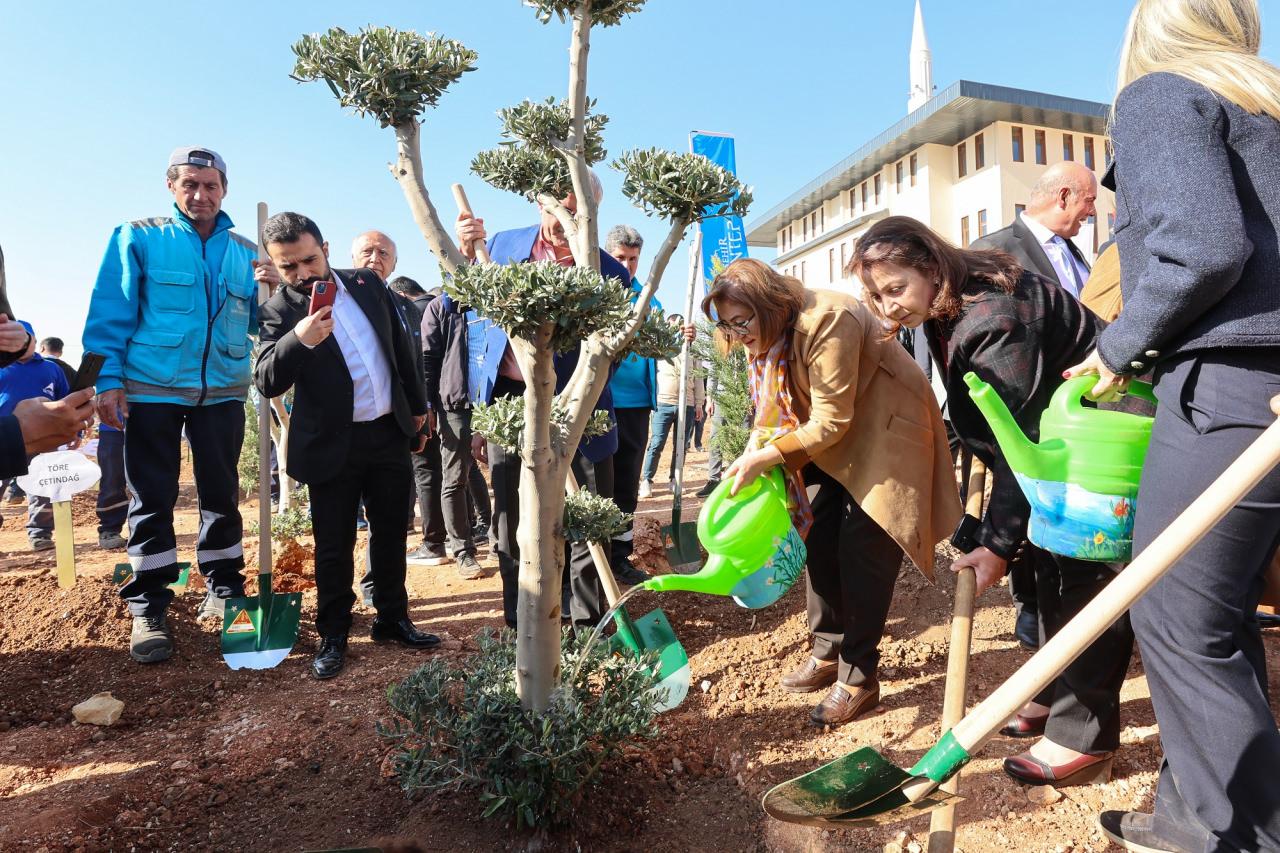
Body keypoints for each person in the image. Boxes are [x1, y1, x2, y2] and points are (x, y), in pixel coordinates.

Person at [1064, 1, 1280, 848]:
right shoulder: (1263, 104)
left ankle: (1227, 833)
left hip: (1227, 389)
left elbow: (1201, 244)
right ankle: (1198, 809)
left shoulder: (1160, 93)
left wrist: (1118, 347)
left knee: (1181, 618)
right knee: (1220, 615)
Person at [852, 216, 1134, 788]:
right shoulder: (948, 295)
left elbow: (1022, 442)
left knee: (1081, 575)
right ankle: (1052, 688)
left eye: (895, 289)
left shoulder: (992, 318)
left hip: (1098, 439)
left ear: (930, 268)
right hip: (1055, 439)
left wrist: (997, 544)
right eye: (876, 295)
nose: (886, 308)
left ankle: (1083, 737)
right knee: (1045, 571)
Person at [704, 258, 961, 726]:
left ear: (768, 304)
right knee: (819, 535)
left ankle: (860, 678)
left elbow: (831, 420)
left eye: (741, 321)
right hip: (837, 436)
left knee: (862, 545)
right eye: (726, 325)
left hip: (885, 429)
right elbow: (768, 408)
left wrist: (766, 456)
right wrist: (751, 452)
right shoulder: (762, 333)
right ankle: (828, 649)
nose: (736, 333)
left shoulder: (827, 318)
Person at [82, 146, 259, 664]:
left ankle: (224, 587)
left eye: (210, 185)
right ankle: (150, 603)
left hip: (223, 391)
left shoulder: (247, 252)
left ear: (225, 189)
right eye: (190, 185)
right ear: (171, 187)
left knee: (223, 496)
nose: (201, 195)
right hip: (150, 390)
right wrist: (105, 380)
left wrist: (275, 292)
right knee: (153, 497)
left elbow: (259, 324)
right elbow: (108, 313)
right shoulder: (138, 236)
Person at [255, 212, 438, 680]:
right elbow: (267, 380)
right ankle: (333, 632)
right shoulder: (280, 311)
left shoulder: (366, 284)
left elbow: (401, 346)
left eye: (308, 260)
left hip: (387, 431)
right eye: (288, 267)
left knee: (392, 530)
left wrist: (417, 409)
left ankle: (393, 618)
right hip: (331, 445)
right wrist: (301, 339)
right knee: (334, 544)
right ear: (275, 266)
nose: (302, 274)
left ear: (327, 249)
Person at [454, 172, 627, 629]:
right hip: (512, 403)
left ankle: (589, 624)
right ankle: (523, 620)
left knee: (587, 517)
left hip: (581, 404)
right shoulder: (502, 247)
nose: (561, 218)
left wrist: (575, 395)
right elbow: (478, 333)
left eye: (574, 210)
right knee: (513, 517)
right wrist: (462, 256)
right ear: (539, 203)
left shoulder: (609, 273)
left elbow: (617, 353)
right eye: (555, 207)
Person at [970, 160, 1099, 651]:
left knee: (1066, 507)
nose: (1091, 211)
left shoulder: (1077, 256)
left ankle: (1069, 600)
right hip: (1024, 404)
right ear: (1064, 196)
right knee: (1022, 496)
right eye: (1087, 201)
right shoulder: (994, 250)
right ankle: (1029, 604)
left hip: (1080, 404)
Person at [419, 276, 489, 582]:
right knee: (455, 477)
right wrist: (428, 406)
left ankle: (504, 539)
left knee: (508, 473)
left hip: (498, 403)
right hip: (456, 405)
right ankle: (463, 552)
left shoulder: (497, 302)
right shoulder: (441, 307)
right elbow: (428, 359)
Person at [604, 224, 659, 584]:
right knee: (599, 485)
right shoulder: (595, 293)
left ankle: (620, 557)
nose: (627, 265)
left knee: (626, 484)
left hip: (637, 405)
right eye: (621, 258)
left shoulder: (647, 297)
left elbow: (660, 335)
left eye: (634, 259)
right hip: (600, 404)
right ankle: (592, 560)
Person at [0, 322, 71, 549]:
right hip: (4, 438)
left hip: (43, 441)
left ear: (34, 340)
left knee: (41, 489)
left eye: (25, 338)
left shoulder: (51, 369)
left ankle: (40, 534)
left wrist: (74, 431)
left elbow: (65, 402)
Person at [638, 313, 704, 498]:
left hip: (687, 404)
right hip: (664, 402)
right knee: (657, 442)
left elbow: (698, 378)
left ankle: (675, 480)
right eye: (673, 326)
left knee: (681, 445)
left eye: (680, 326)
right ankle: (646, 481)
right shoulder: (659, 348)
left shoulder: (693, 350)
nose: (677, 330)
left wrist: (699, 403)